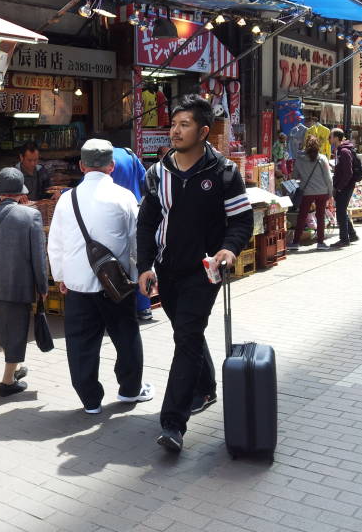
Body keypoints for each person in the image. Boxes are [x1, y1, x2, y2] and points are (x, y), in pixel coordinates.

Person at [137, 95, 253, 453]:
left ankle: (173, 423)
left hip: (205, 272)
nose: (175, 130)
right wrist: (144, 265)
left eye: (184, 125)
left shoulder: (224, 173)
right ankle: (206, 387)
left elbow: (241, 219)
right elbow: (147, 222)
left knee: (186, 338)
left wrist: (229, 248)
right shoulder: (157, 174)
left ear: (203, 132)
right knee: (187, 331)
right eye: (173, 124)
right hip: (167, 270)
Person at [48, 139, 154, 415]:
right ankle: (130, 390)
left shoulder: (66, 199)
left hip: (77, 286)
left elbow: (55, 243)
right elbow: (137, 241)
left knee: (81, 344)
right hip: (116, 286)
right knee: (126, 336)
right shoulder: (124, 197)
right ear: (112, 165)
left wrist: (60, 275)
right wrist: (139, 272)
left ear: (81, 166)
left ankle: (90, 400)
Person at [0, 167, 48, 397]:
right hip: (20, 283)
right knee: (15, 330)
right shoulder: (31, 215)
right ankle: (7, 382)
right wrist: (43, 286)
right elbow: (39, 257)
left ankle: (13, 369)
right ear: (20, 193)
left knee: (8, 328)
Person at [111, 146, 153, 322]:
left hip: (113, 215)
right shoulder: (130, 154)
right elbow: (145, 181)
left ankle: (123, 305)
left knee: (117, 263)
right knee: (138, 259)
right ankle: (144, 307)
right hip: (135, 212)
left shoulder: (101, 158)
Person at [288, 135, 333, 251]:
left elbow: (294, 176)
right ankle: (320, 242)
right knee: (320, 216)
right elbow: (328, 178)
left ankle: (296, 242)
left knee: (302, 216)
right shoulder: (322, 158)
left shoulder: (299, 159)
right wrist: (330, 192)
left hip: (306, 191)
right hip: (322, 191)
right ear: (318, 145)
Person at [330, 129, 359, 248]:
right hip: (344, 185)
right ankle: (352, 234)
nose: (329, 139)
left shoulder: (344, 151)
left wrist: (340, 187)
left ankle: (344, 239)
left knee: (341, 212)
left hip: (345, 186)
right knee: (342, 211)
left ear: (336, 138)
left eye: (330, 136)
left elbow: (348, 172)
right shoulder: (340, 151)